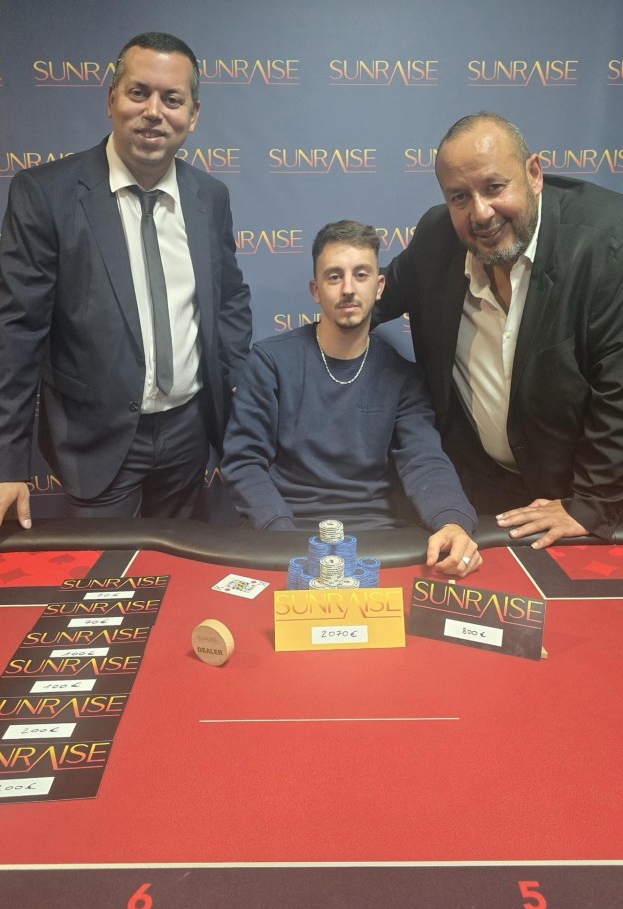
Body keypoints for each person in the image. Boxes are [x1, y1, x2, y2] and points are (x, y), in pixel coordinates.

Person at [0, 32, 251, 553]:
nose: (154, 112)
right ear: (111, 99)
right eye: (139, 92)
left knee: (179, 570)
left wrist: (233, 379)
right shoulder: (47, 194)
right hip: (96, 437)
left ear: (193, 115)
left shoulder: (210, 197)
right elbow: (14, 334)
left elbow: (230, 298)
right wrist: (1, 463)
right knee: (103, 580)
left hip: (190, 433)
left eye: (172, 99)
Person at [374, 111, 623, 549]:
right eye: (459, 197)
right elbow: (371, 299)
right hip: (483, 492)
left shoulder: (607, 245)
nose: (480, 213)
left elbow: (618, 389)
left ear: (534, 174)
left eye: (494, 187)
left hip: (584, 504)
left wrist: (590, 503)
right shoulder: (436, 238)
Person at [222, 220, 481, 579]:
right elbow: (245, 462)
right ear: (315, 290)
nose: (348, 288)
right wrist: (280, 535)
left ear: (379, 286)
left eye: (360, 275)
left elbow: (424, 458)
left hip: (379, 538)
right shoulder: (271, 362)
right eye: (334, 276)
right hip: (287, 534)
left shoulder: (402, 375)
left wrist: (451, 520)